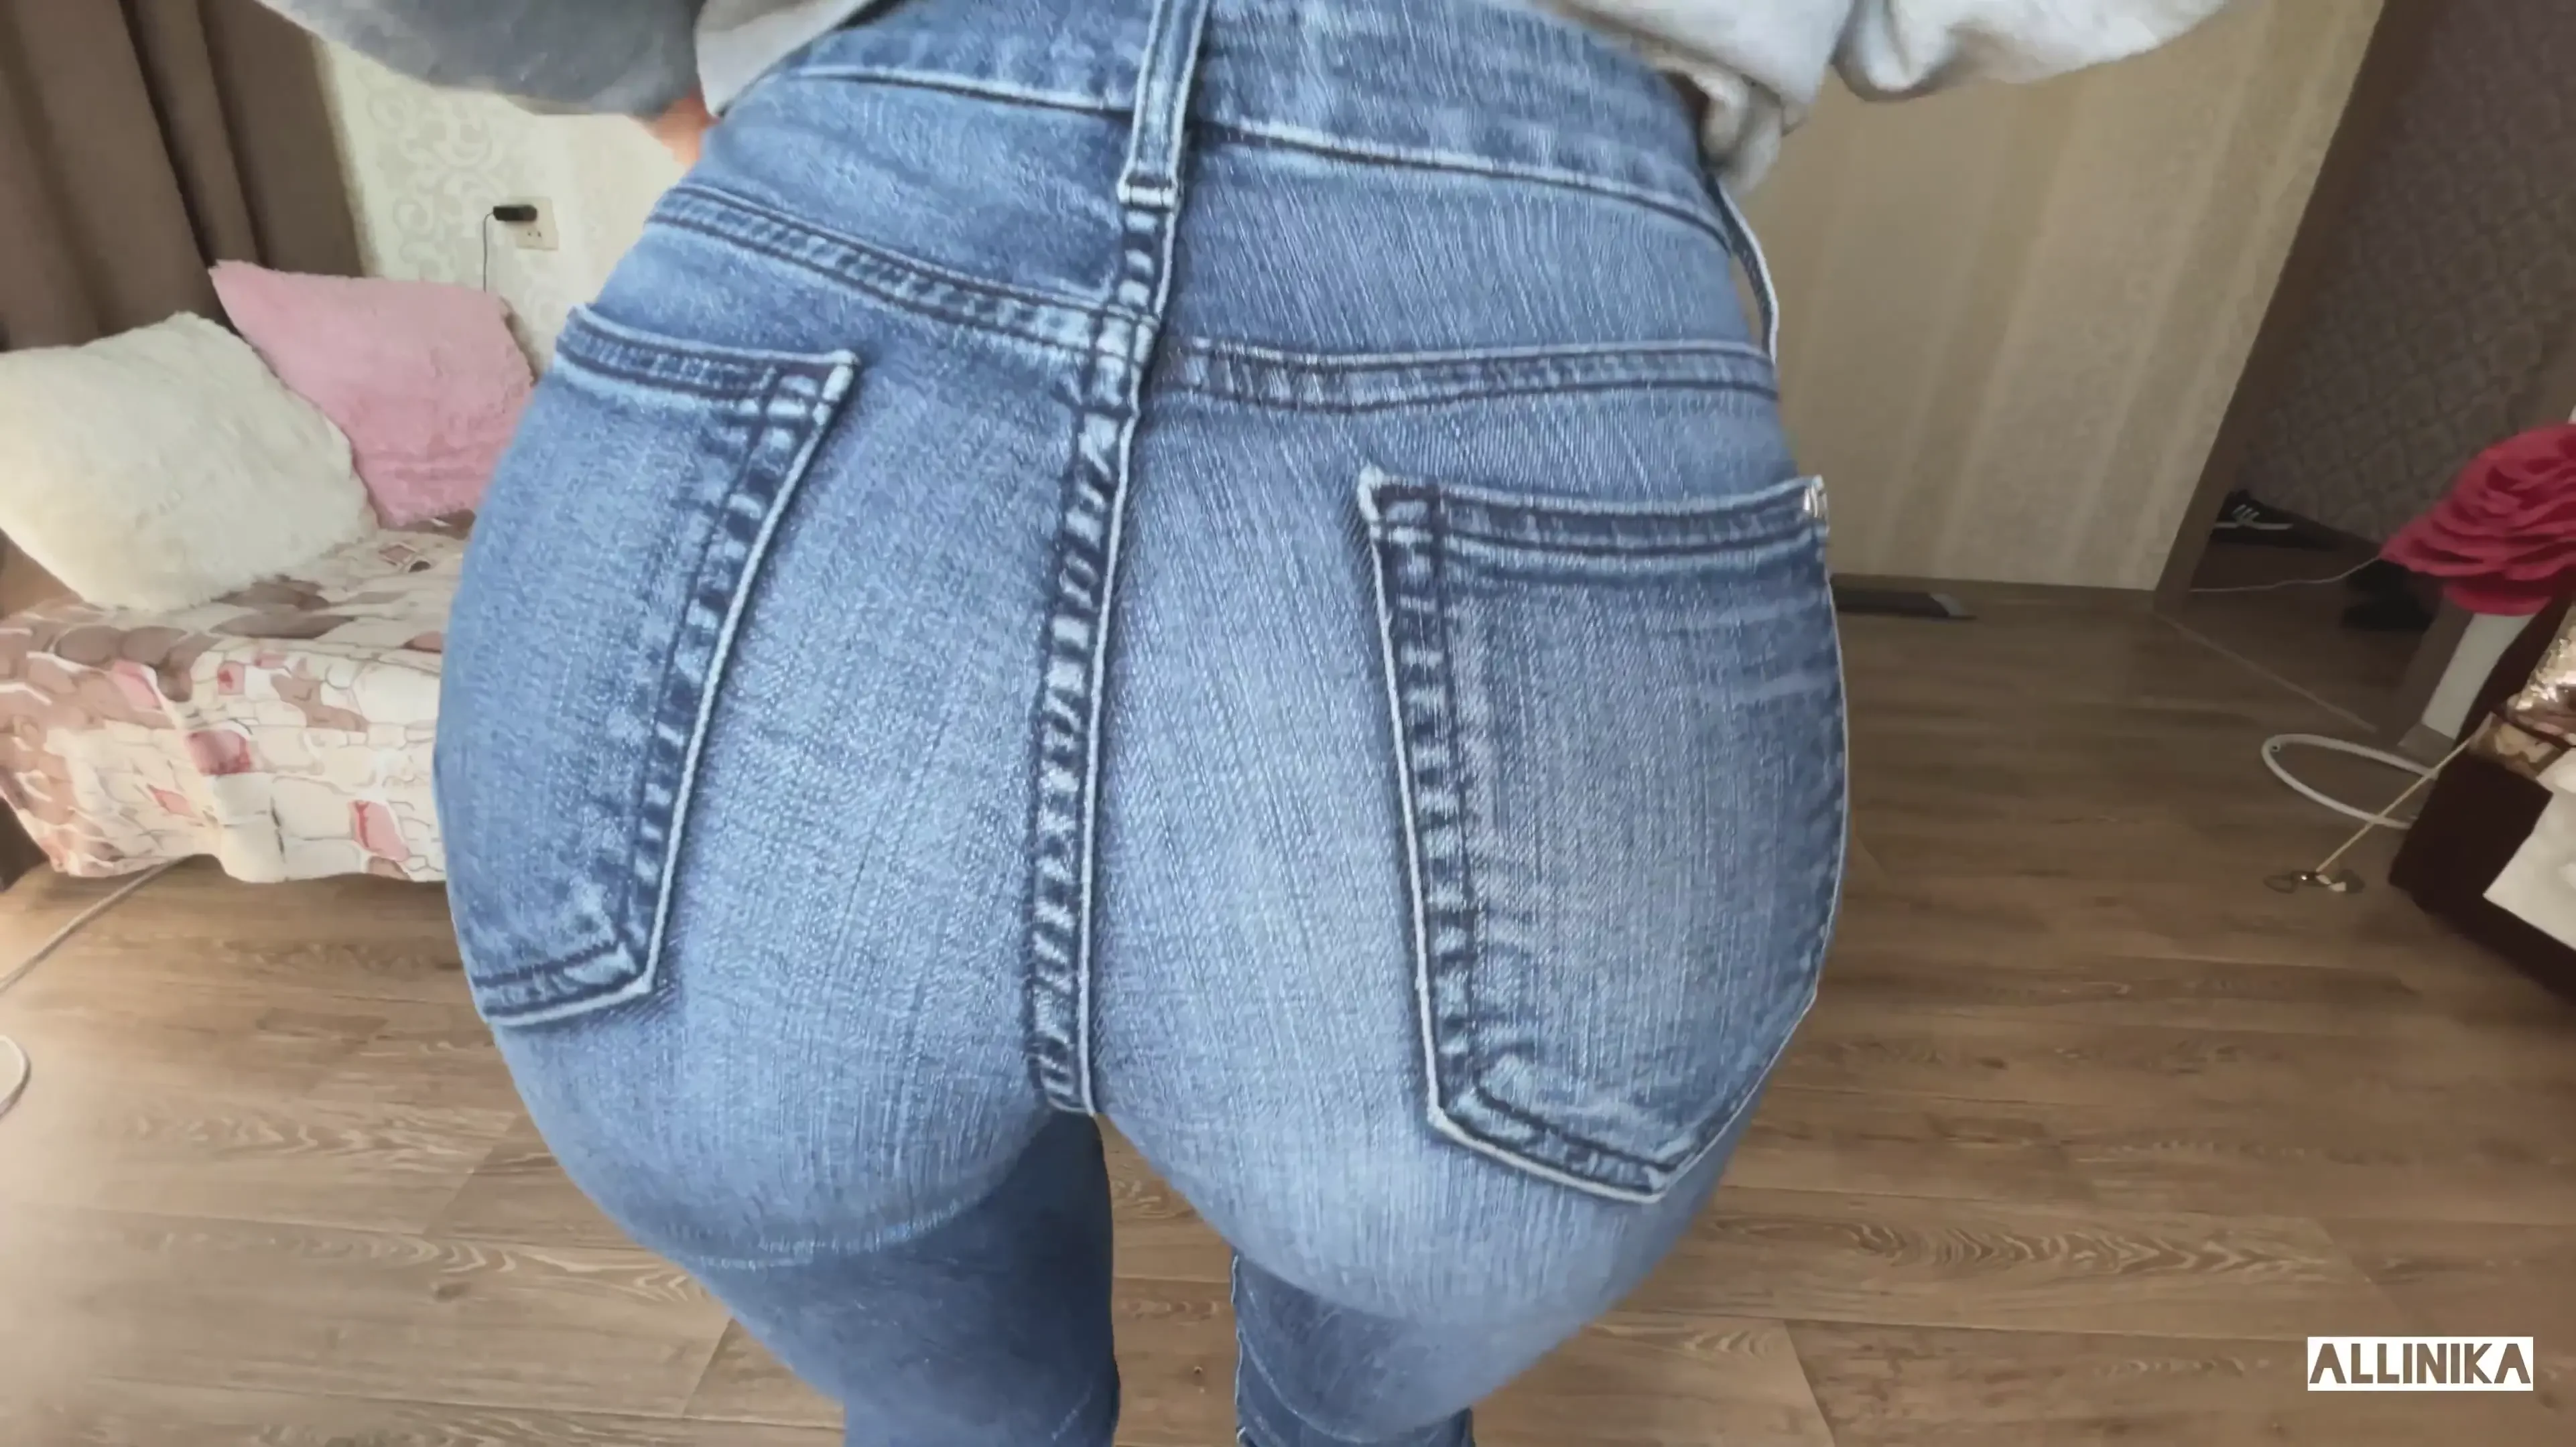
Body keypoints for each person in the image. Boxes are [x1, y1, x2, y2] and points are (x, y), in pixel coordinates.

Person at [260, 2, 2228, 1443]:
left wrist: (680, 71)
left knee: (949, 1420)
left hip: (815, 291)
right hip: (1535, 293)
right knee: (1375, 1406)